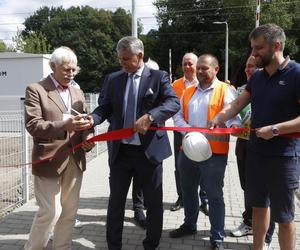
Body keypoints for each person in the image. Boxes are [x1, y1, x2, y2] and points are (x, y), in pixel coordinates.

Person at [211, 23, 300, 250]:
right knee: (259, 209)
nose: (253, 54)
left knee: (285, 217)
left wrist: (275, 129)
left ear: (276, 46)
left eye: (258, 48)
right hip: (256, 154)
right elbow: (238, 103)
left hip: (284, 158)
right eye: (252, 48)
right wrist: (219, 118)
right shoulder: (257, 77)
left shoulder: (296, 74)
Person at [89, 36, 180, 250]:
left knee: (154, 203)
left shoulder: (158, 77)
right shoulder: (113, 79)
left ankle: (151, 244)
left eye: (125, 59)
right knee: (115, 203)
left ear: (139, 56)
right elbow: (104, 108)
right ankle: (114, 246)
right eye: (120, 59)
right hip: (121, 153)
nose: (121, 63)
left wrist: (151, 116)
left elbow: (173, 102)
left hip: (149, 153)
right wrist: (92, 119)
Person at [24, 46, 94, 250]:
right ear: (52, 66)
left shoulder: (78, 91)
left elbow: (85, 123)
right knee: (50, 212)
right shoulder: (36, 89)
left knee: (70, 211)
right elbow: (33, 125)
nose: (71, 74)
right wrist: (65, 125)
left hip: (75, 159)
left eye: (74, 70)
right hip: (49, 160)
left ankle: (62, 247)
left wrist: (88, 137)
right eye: (66, 70)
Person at [169, 54, 241, 250]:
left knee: (214, 196)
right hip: (188, 152)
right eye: (198, 68)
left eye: (204, 68)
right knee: (189, 191)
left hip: (214, 155)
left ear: (216, 69)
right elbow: (177, 114)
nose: (199, 71)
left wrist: (235, 126)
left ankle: (217, 237)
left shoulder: (225, 91)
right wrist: (187, 129)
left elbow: (234, 116)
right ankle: (189, 225)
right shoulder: (189, 91)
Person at [230, 55, 275, 249]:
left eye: (254, 66)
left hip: (267, 147)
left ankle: (266, 236)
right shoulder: (241, 90)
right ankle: (249, 222)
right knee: (248, 189)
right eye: (248, 66)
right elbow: (232, 114)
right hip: (244, 146)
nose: (249, 70)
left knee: (266, 194)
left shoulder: (270, 89)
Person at [170, 52, 209, 214]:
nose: (187, 67)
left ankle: (204, 199)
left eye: (190, 64)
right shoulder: (175, 85)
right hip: (181, 134)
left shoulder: (205, 83)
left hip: (204, 136)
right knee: (180, 167)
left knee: (204, 165)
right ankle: (182, 197)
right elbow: (171, 107)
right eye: (184, 64)